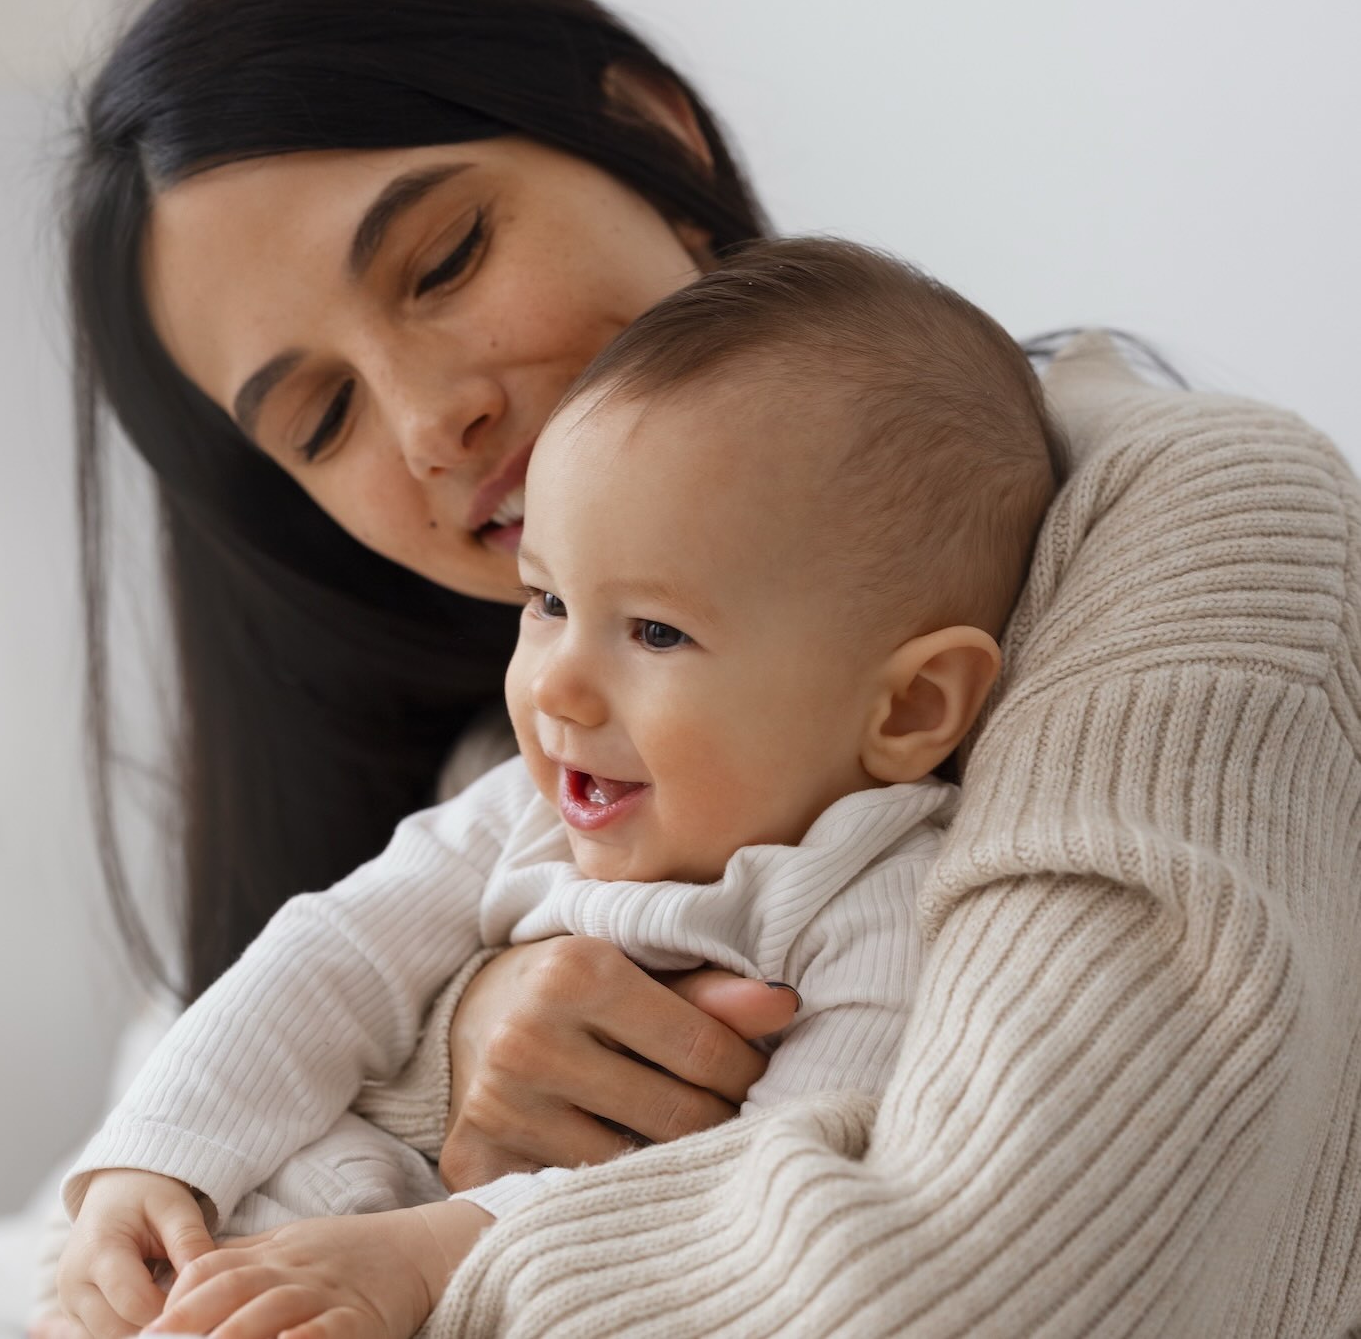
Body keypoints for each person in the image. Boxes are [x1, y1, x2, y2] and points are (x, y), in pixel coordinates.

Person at [35, 0, 1361, 1339]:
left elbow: (970, 1281)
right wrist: (455, 1043)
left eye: (444, 260)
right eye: (325, 414)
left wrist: (441, 1243)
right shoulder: (528, 743)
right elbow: (164, 1159)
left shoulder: (1184, 503)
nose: (432, 423)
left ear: (659, 140)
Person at [55, 237, 1064, 1338]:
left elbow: (758, 1196)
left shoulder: (871, 905)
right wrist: (152, 1161)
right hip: (318, 1227)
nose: (559, 691)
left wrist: (426, 1253)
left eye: (657, 630)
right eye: (545, 603)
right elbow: (329, 958)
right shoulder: (525, 807)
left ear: (910, 709)